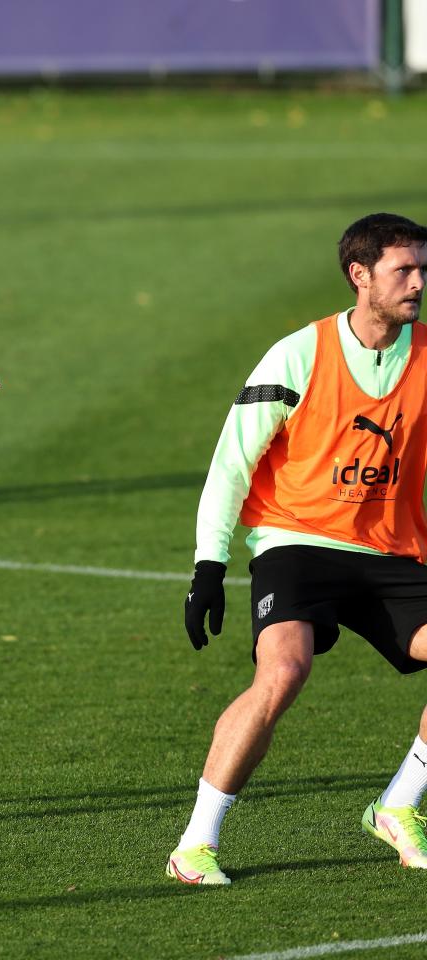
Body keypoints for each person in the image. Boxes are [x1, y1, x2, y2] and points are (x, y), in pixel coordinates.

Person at [172, 213, 427, 886]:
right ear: (360, 275)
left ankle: (398, 805)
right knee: (283, 672)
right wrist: (207, 567)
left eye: (423, 269)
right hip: (298, 541)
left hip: (392, 551)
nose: (418, 283)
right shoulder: (297, 355)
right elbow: (231, 465)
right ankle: (197, 843)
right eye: (404, 270)